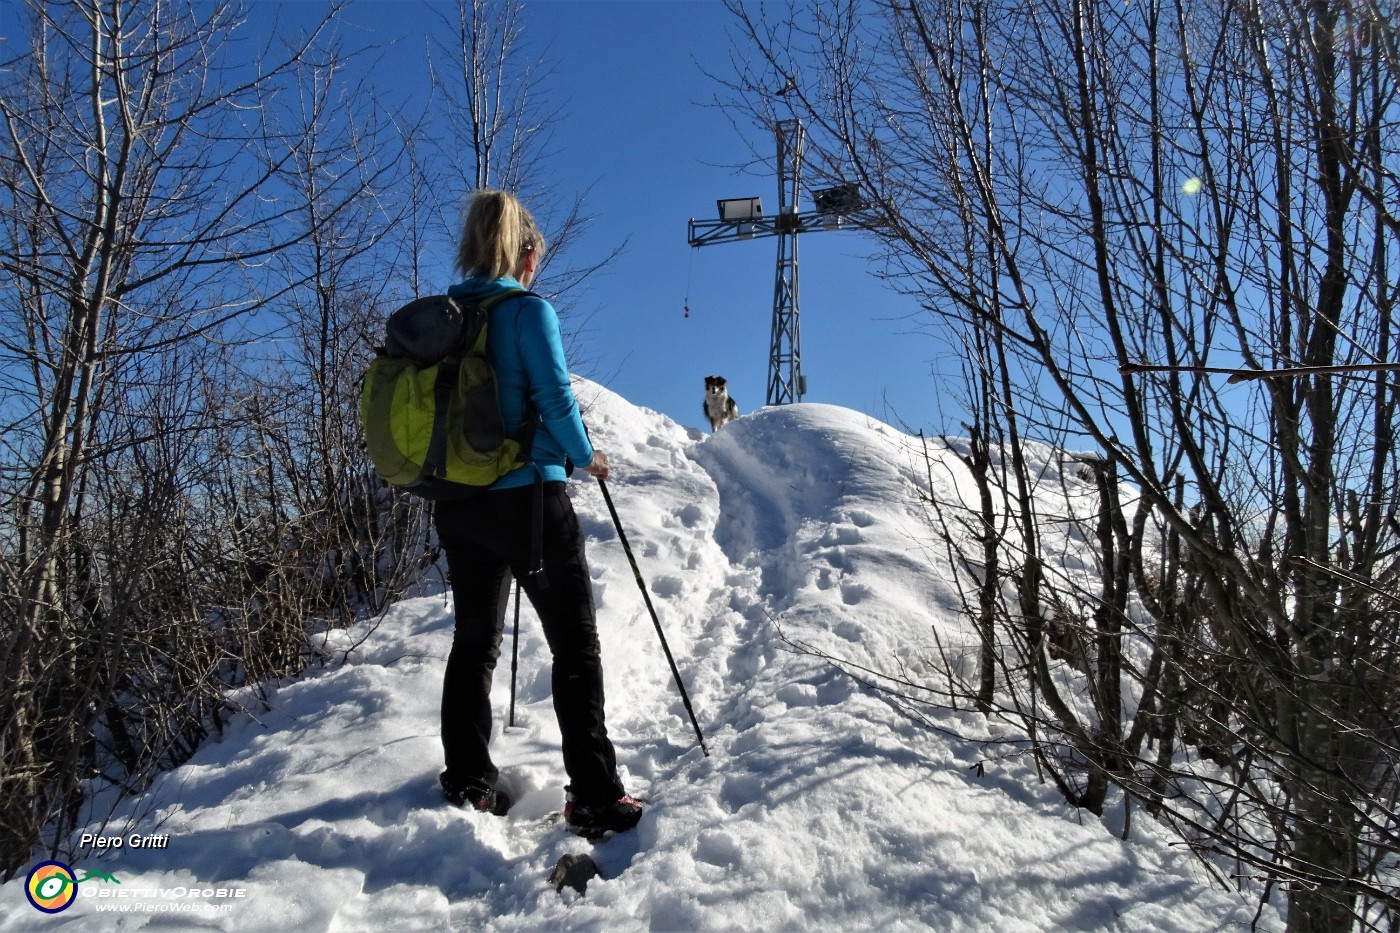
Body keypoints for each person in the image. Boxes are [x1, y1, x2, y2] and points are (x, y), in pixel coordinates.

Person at [432, 190, 642, 838]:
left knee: (474, 643)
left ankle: (468, 778)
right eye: (535, 259)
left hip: (458, 503)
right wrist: (588, 458)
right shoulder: (526, 312)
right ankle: (596, 795)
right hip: (528, 501)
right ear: (524, 254)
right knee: (575, 644)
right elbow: (553, 399)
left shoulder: (446, 314)